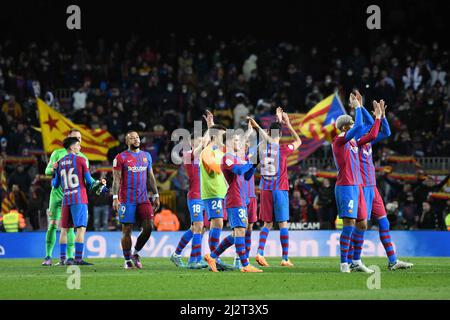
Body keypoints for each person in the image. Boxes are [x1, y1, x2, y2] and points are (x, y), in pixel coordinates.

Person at [348, 91, 413, 270]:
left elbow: (386, 131)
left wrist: (382, 116)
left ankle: (393, 261)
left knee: (384, 222)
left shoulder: (368, 141)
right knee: (362, 225)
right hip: (362, 188)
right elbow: (370, 125)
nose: (365, 125)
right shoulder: (357, 139)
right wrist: (364, 109)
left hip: (373, 188)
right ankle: (354, 261)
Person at [248, 106, 302, 267]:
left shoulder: (262, 150)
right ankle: (285, 258)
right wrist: (288, 124)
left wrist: (262, 127)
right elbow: (298, 141)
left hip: (265, 189)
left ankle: (259, 252)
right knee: (283, 223)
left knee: (267, 224)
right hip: (279, 189)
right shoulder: (283, 150)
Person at [204, 133, 262, 273]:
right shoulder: (227, 158)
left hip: (242, 197)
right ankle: (245, 265)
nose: (239, 143)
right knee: (240, 231)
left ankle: (212, 256)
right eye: (236, 140)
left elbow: (247, 176)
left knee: (237, 233)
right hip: (234, 197)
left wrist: (255, 163)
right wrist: (251, 161)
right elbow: (240, 170)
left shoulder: (236, 158)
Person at [52, 137, 106, 265]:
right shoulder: (81, 160)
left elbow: (55, 184)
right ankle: (78, 259)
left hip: (66, 199)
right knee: (80, 229)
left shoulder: (59, 163)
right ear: (71, 147)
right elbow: (89, 181)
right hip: (79, 199)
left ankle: (62, 259)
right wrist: (102, 186)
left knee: (64, 230)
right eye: (78, 145)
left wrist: (54, 171)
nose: (80, 147)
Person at [112, 131, 160, 269]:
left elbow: (150, 176)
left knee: (149, 227)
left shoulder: (146, 156)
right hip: (127, 200)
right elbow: (116, 179)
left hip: (143, 198)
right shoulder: (120, 157)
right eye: (132, 138)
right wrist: (115, 198)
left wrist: (156, 194)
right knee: (127, 229)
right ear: (127, 141)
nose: (136, 139)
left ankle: (136, 253)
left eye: (137, 137)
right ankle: (127, 259)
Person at [42, 129, 90, 266]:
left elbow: (84, 180)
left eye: (80, 138)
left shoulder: (83, 158)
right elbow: (46, 171)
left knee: (68, 228)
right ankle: (48, 256)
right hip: (56, 196)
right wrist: (54, 169)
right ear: (69, 139)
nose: (78, 140)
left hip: (70, 197)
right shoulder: (57, 153)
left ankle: (68, 258)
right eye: (75, 138)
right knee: (52, 225)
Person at [331, 93, 367, 273]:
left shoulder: (352, 141)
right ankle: (344, 263)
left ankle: (357, 261)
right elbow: (360, 125)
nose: (354, 124)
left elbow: (367, 127)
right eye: (351, 123)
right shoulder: (339, 140)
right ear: (345, 126)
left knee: (362, 224)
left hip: (357, 186)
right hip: (345, 186)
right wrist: (357, 106)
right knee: (349, 223)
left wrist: (375, 115)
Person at [170, 133, 208, 269]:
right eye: (198, 140)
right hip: (195, 196)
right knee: (198, 227)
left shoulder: (204, 157)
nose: (201, 142)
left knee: (198, 229)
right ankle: (193, 261)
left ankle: (181, 255)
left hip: (205, 196)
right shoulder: (187, 154)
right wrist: (210, 128)